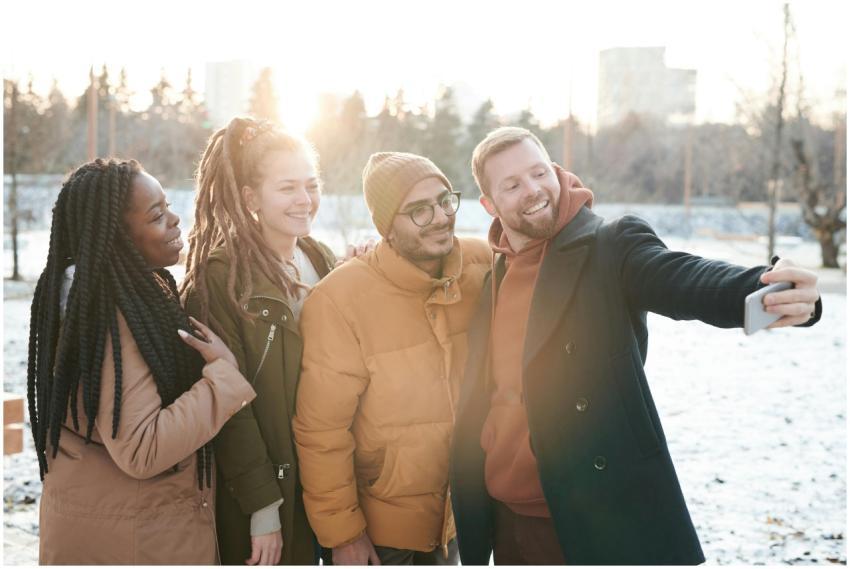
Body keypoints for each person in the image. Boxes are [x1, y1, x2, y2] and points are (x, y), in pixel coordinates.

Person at [449, 127, 822, 565]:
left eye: (538, 173)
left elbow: (682, 278)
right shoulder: (494, 273)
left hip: (594, 518)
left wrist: (766, 290)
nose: (533, 190)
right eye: (512, 185)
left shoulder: (611, 245)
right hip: (509, 524)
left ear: (556, 170)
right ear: (490, 206)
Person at [28, 158, 256, 564]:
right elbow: (141, 449)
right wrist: (223, 378)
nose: (174, 220)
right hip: (137, 543)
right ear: (117, 237)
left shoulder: (99, 301)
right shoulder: (113, 316)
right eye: (156, 215)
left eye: (168, 206)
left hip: (116, 530)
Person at [292, 152, 491, 565]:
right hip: (383, 538)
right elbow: (321, 432)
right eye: (418, 211)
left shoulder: (482, 263)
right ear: (387, 228)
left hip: (462, 523)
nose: (439, 217)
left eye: (444, 200)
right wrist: (344, 535)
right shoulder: (339, 300)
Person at [181, 118, 336, 565]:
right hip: (263, 495)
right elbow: (226, 405)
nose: (305, 200)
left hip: (324, 479)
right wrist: (263, 508)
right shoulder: (219, 281)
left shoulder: (319, 258)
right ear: (251, 197)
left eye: (311, 184)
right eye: (287, 188)